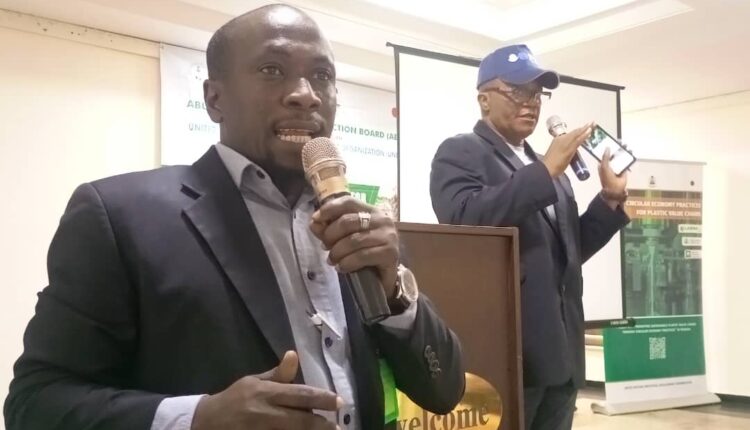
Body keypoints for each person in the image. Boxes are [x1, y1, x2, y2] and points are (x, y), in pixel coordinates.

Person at [4, 5, 465, 430]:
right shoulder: (118, 216)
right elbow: (35, 402)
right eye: (272, 70)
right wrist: (197, 418)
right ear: (215, 99)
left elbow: (443, 392)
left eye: (321, 75)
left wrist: (395, 293)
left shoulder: (358, 225)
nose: (305, 95)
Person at [429, 44, 630, 430]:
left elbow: (567, 252)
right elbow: (463, 220)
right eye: (517, 92)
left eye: (537, 94)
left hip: (562, 354)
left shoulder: (546, 166)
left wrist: (609, 198)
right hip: (511, 354)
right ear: (484, 99)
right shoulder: (461, 151)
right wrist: (546, 171)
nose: (531, 103)